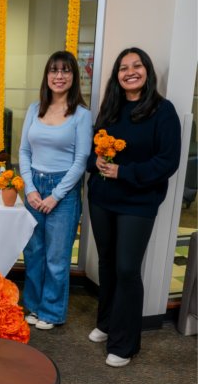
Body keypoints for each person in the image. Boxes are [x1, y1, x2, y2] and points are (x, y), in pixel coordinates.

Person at [86, 47, 181, 367]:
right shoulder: (110, 108)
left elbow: (167, 161)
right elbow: (90, 152)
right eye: (123, 67)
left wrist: (124, 172)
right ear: (117, 76)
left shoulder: (162, 111)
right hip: (102, 197)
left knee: (127, 268)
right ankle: (106, 323)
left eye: (136, 65)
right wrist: (95, 161)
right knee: (108, 262)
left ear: (147, 71)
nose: (130, 71)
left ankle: (124, 344)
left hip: (138, 202)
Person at [19, 50, 92, 330]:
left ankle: (51, 312)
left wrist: (55, 195)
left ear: (73, 77)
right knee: (34, 252)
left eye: (65, 71)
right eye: (54, 70)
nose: (59, 76)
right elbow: (24, 151)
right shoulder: (34, 109)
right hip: (35, 187)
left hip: (64, 190)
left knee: (56, 257)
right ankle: (34, 307)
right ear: (47, 76)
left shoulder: (81, 115)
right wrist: (30, 188)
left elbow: (80, 161)